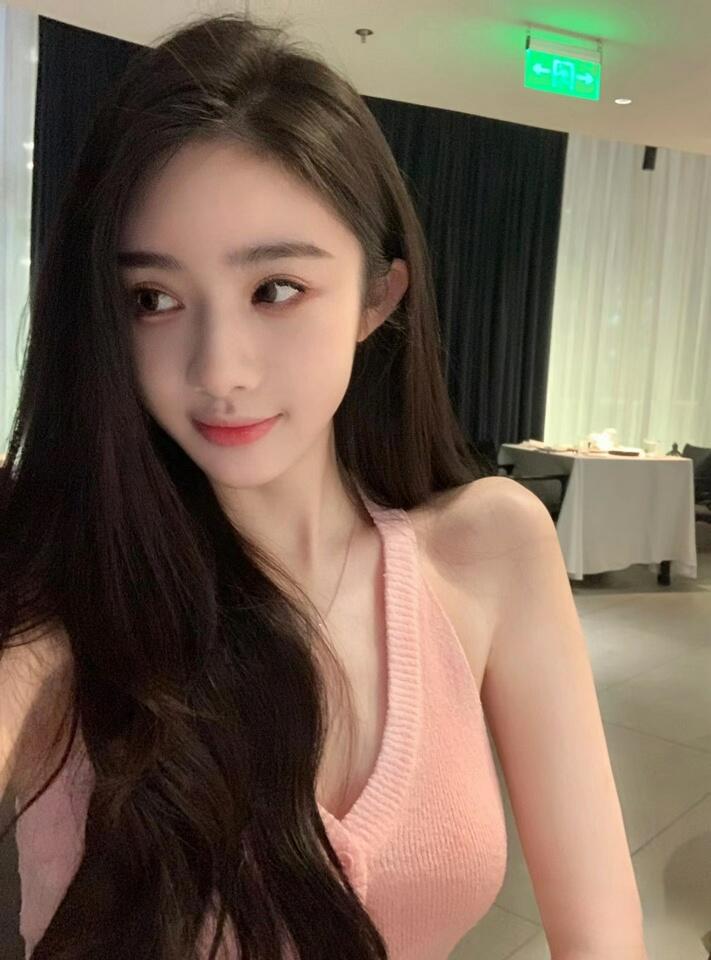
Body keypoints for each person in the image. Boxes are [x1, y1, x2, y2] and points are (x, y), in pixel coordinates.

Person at [0, 11, 648, 960]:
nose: (219, 369)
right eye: (153, 299)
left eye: (275, 289)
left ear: (377, 297)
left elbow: (602, 938)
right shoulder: (61, 578)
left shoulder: (488, 550)